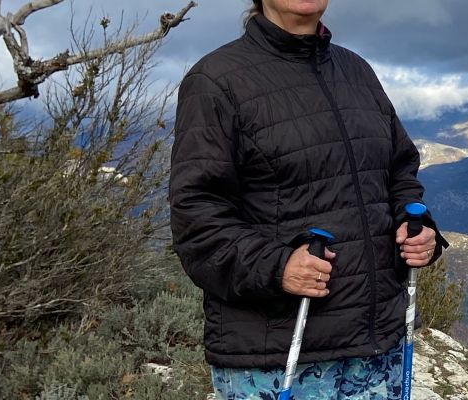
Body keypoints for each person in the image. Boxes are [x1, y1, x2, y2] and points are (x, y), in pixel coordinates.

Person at [168, 0, 448, 397]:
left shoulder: (356, 72)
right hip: (276, 358)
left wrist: (417, 227)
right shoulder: (217, 80)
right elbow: (196, 216)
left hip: (376, 349)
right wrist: (278, 266)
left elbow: (399, 173)